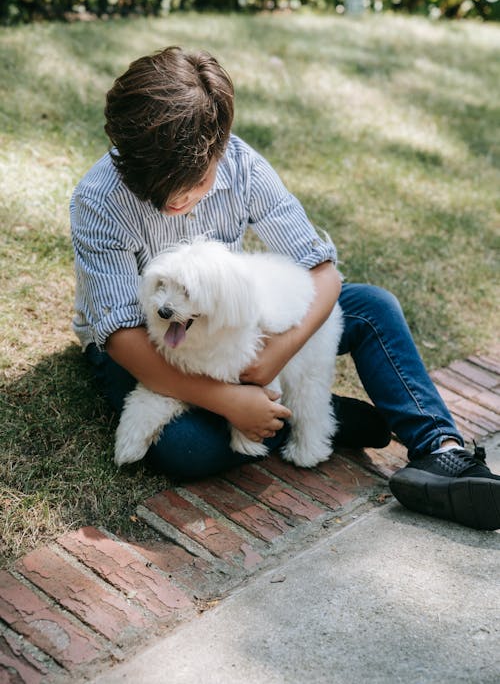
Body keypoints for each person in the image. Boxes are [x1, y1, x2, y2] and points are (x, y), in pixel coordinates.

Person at [70, 46, 500, 531]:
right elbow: (123, 339)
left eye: (191, 183)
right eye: (153, 186)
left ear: (219, 147)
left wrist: (273, 357)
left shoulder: (242, 166)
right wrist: (231, 401)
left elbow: (323, 274)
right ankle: (311, 416)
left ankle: (440, 452)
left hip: (239, 336)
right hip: (150, 348)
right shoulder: (98, 199)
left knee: (373, 307)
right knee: (190, 449)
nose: (171, 198)